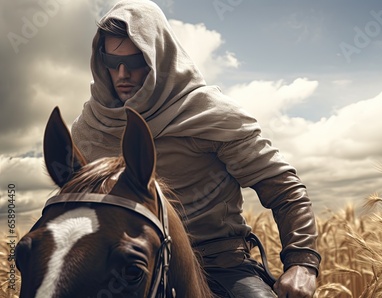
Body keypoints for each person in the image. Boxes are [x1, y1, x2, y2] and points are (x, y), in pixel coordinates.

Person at [71, 0, 321, 297]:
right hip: (122, 270)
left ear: (158, 57)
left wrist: (303, 263)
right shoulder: (88, 130)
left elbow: (284, 189)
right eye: (112, 63)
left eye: (135, 61)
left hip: (219, 265)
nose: (122, 73)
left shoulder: (211, 114)